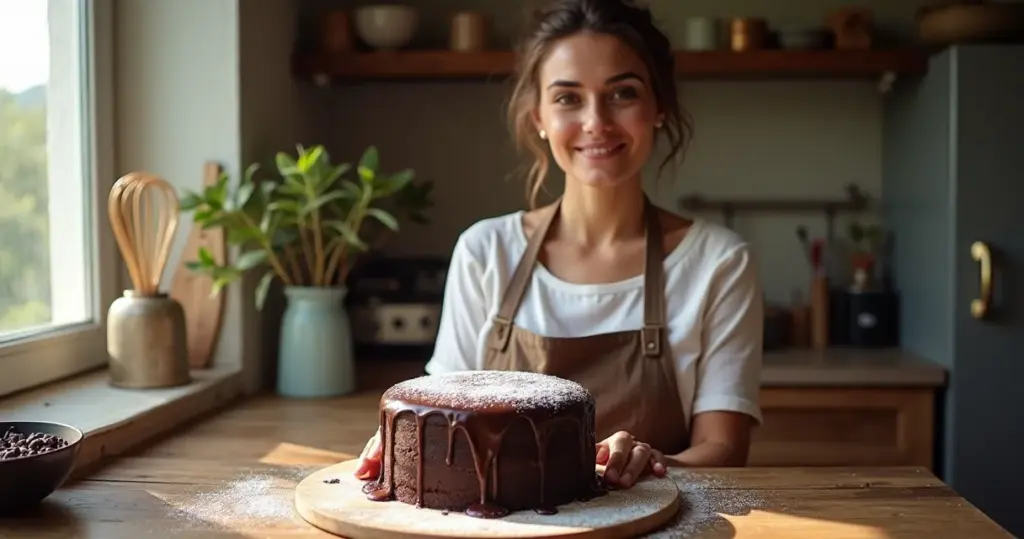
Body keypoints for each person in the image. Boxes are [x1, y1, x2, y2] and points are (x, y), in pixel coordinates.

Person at [355, 0, 763, 490]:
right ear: (539, 118)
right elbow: (440, 412)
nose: (596, 122)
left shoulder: (717, 263)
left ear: (660, 107)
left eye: (623, 93)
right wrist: (403, 447)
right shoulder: (487, 252)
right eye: (568, 98)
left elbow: (724, 450)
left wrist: (648, 464)